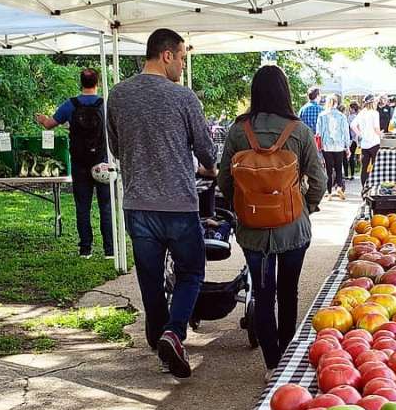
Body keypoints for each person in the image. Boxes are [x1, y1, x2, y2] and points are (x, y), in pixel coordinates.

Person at [107, 28, 216, 378]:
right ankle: (175, 331)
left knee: (149, 277)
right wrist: (209, 168)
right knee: (191, 272)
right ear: (166, 55)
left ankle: (157, 336)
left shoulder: (118, 95)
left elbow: (115, 149)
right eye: (182, 57)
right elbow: (206, 151)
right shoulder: (184, 98)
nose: (183, 65)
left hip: (138, 204)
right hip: (179, 205)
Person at [218, 66, 326, 377]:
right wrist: (308, 206)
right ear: (284, 93)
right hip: (292, 228)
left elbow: (226, 180)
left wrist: (245, 206)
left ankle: (272, 363)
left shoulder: (239, 131)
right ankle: (288, 357)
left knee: (262, 295)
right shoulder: (299, 131)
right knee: (288, 292)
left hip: (253, 231)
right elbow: (318, 179)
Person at [35, 67, 114, 259]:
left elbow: (49, 124)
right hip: (103, 162)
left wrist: (41, 118)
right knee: (106, 206)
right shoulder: (106, 104)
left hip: (79, 163)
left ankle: (85, 249)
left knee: (82, 206)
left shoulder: (70, 105)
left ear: (81, 82)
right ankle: (110, 250)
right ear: (97, 82)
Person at [316, 94, 348, 199]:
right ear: (336, 103)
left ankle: (329, 192)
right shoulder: (342, 116)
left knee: (328, 170)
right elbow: (345, 132)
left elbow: (318, 133)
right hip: (339, 145)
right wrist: (347, 146)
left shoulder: (322, 115)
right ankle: (339, 187)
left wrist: (319, 147)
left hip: (326, 145)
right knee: (339, 168)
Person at [351, 96, 382, 189]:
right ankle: (374, 186)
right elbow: (376, 128)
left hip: (365, 144)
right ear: (372, 102)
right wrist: (381, 134)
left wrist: (360, 134)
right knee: (376, 166)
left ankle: (364, 187)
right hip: (375, 142)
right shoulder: (375, 113)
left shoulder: (361, 113)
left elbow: (352, 125)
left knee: (364, 167)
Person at [347, 101, 360, 179]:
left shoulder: (351, 117)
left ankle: (350, 174)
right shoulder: (358, 117)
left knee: (350, 157)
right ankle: (352, 174)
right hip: (356, 139)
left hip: (351, 139)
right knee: (352, 156)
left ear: (352, 109)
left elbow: (348, 127)